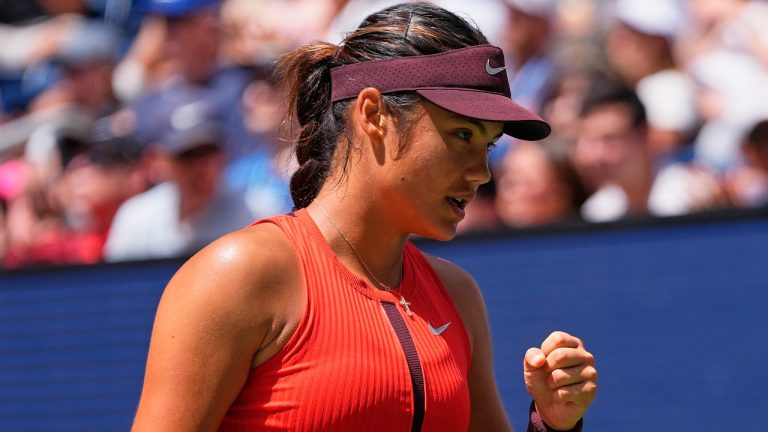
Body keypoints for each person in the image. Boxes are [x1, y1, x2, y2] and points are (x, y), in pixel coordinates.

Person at [131, 3, 597, 431]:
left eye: (488, 145)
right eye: (460, 134)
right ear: (372, 113)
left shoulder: (459, 297)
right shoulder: (238, 276)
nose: (480, 172)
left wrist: (552, 425)